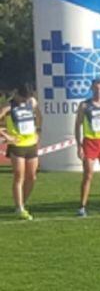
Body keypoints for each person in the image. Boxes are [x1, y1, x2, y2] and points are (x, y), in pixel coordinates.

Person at [74, 79, 100, 216]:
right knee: (88, 174)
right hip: (90, 143)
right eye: (97, 88)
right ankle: (82, 206)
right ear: (92, 89)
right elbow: (77, 125)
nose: (99, 91)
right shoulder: (84, 106)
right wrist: (79, 145)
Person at [0, 84, 41, 220]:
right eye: (22, 98)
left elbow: (39, 118)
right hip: (17, 146)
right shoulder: (8, 107)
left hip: (31, 144)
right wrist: (7, 136)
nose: (24, 101)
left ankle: (22, 201)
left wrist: (38, 131)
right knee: (19, 176)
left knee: (32, 176)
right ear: (16, 94)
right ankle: (19, 208)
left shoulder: (31, 104)